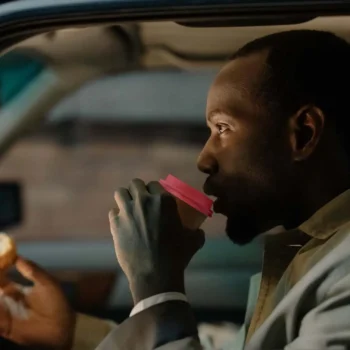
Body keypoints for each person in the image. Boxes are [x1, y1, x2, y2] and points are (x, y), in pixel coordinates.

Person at [1, 28, 350, 349]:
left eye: (223, 128)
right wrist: (71, 333)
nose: (204, 158)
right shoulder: (311, 252)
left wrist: (157, 287)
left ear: (303, 134)